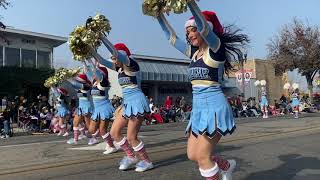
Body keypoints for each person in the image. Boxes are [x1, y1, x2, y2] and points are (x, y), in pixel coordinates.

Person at [156, 1, 249, 179]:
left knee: (203, 158)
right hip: (198, 109)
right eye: (188, 31)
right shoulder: (193, 53)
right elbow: (171, 38)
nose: (190, 35)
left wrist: (189, 3)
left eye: (193, 30)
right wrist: (158, 14)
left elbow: (204, 28)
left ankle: (219, 170)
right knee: (193, 155)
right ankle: (226, 166)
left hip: (214, 107)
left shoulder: (216, 49)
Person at [90, 41, 152, 172]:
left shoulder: (132, 65)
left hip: (137, 102)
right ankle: (131, 157)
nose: (113, 60)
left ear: (121, 56)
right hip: (127, 103)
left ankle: (146, 161)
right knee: (114, 132)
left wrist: (101, 36)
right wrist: (89, 49)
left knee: (131, 137)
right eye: (112, 58)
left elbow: (116, 53)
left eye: (114, 58)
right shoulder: (119, 69)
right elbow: (100, 60)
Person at [66, 73, 94, 145]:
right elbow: (72, 84)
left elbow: (74, 83)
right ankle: (75, 140)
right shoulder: (79, 87)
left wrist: (66, 76)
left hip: (87, 106)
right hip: (80, 107)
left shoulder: (86, 86)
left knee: (88, 124)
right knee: (75, 122)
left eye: (79, 79)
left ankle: (93, 138)